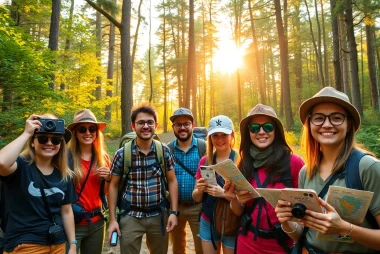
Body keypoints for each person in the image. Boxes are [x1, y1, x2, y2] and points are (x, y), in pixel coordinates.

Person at [275, 87, 380, 253]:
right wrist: (286, 221)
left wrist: (345, 228)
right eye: (318, 118)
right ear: (309, 124)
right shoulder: (306, 172)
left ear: (349, 123)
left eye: (336, 118)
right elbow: (304, 233)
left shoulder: (367, 167)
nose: (327, 124)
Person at [224, 104, 304, 253]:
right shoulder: (243, 163)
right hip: (247, 243)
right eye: (254, 128)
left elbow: (306, 211)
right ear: (248, 132)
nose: (261, 132)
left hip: (282, 245)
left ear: (277, 131)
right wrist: (234, 199)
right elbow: (238, 211)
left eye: (267, 127)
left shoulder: (294, 163)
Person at [107, 102, 179, 254]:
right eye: (141, 122)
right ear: (133, 126)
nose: (146, 126)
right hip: (130, 216)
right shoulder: (122, 154)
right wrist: (113, 220)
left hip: (158, 215)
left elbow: (172, 181)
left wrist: (173, 212)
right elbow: (113, 185)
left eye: (149, 122)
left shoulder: (163, 151)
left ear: (156, 125)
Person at [0, 114, 77, 254]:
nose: (49, 143)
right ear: (32, 142)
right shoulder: (19, 166)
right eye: (42, 138)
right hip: (25, 245)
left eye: (55, 140)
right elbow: (1, 162)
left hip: (58, 244)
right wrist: (26, 133)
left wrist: (72, 244)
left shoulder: (64, 174)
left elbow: (66, 211)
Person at [67, 109, 111, 254]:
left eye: (92, 128)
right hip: (73, 223)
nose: (88, 133)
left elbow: (106, 192)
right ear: (75, 133)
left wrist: (108, 178)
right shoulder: (66, 158)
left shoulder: (103, 158)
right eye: (82, 129)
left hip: (97, 223)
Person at [192, 115, 238, 254]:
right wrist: (199, 190)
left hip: (232, 222)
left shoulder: (240, 160)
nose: (220, 140)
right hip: (208, 220)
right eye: (215, 135)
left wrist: (223, 194)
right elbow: (196, 197)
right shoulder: (205, 161)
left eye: (224, 135)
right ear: (210, 138)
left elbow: (246, 199)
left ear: (232, 135)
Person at [168, 108, 204, 254]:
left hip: (198, 207)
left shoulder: (203, 147)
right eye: (178, 124)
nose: (182, 127)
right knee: (177, 248)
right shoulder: (168, 149)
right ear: (173, 127)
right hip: (175, 207)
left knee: (202, 247)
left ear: (193, 125)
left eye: (186, 124)